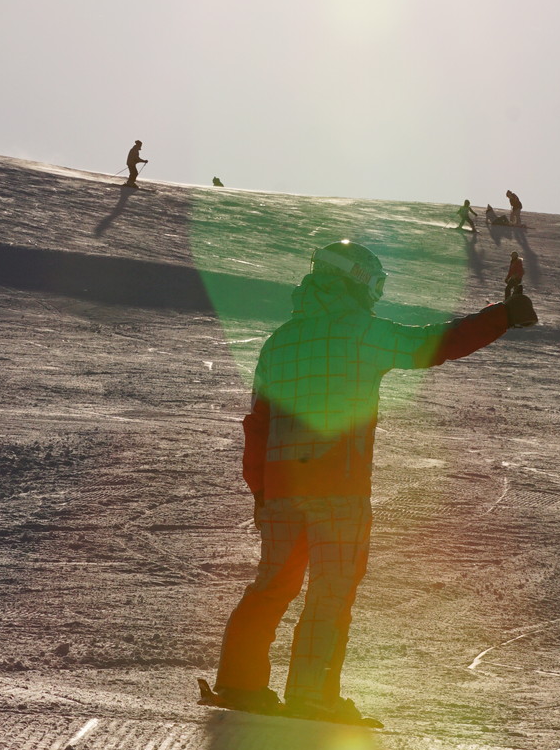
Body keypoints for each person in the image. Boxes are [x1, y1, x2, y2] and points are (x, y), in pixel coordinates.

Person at [212, 240, 539, 724]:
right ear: (357, 281)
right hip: (338, 487)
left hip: (282, 489)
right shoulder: (360, 331)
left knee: (271, 585)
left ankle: (240, 683)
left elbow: (258, 423)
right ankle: (311, 695)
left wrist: (261, 490)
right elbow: (430, 343)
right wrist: (503, 315)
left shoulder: (279, 342)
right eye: (374, 284)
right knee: (331, 591)